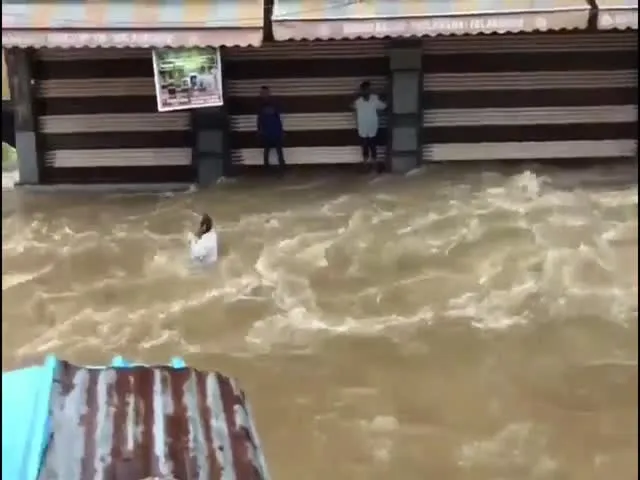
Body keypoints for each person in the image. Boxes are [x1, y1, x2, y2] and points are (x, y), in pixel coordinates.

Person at [352, 81, 386, 170]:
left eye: (368, 89)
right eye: (364, 90)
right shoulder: (358, 102)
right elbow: (353, 110)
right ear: (362, 90)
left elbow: (383, 106)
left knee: (373, 146)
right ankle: (366, 164)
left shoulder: (375, 99)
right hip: (362, 128)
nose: (366, 91)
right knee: (364, 147)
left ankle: (374, 165)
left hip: (372, 128)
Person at [257, 86, 286, 170]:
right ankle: (266, 167)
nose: (264, 94)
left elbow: (278, 118)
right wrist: (259, 130)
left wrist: (281, 131)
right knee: (267, 151)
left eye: (265, 92)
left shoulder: (274, 103)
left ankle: (282, 167)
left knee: (278, 151)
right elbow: (259, 119)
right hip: (266, 131)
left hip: (275, 131)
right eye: (263, 92)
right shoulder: (260, 105)